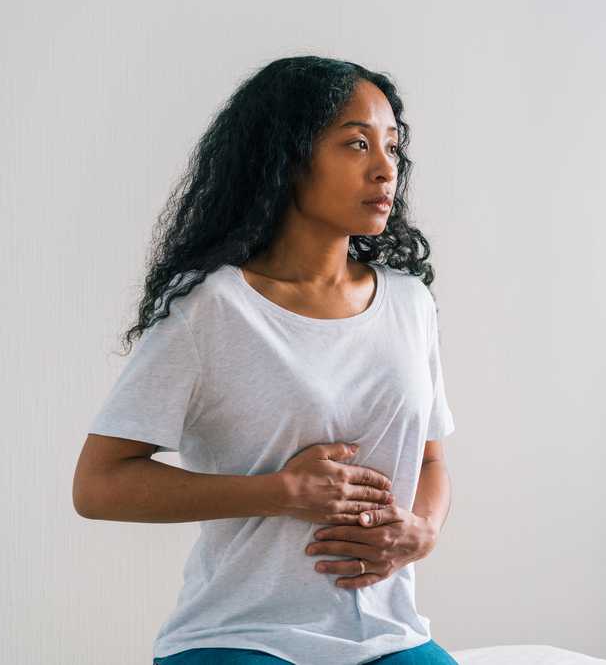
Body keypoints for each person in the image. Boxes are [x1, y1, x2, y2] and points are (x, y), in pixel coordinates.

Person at [72, 56, 457, 665]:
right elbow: (98, 485)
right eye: (356, 144)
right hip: (241, 636)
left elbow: (432, 460)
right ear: (287, 157)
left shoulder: (410, 303)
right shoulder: (213, 308)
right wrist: (281, 492)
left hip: (389, 634)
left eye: (392, 147)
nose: (386, 169)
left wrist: (423, 531)